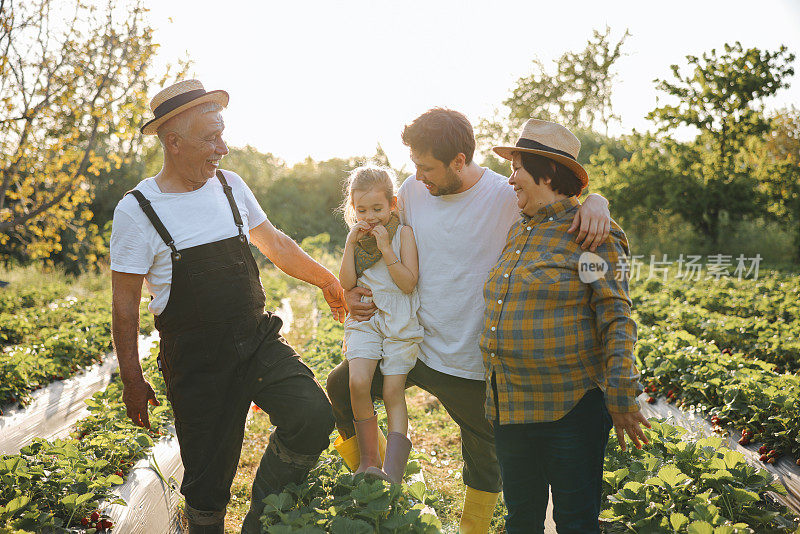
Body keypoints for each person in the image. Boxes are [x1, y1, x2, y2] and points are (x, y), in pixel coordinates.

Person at [325, 108, 613, 533]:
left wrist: (597, 201)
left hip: (471, 360)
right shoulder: (412, 190)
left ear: (459, 161)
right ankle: (379, 483)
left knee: (484, 459)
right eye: (415, 165)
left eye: (427, 167)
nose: (418, 176)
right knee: (341, 385)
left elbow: (559, 203)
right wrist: (351, 291)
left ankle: (473, 527)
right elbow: (375, 240)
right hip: (414, 341)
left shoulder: (504, 197)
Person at [109, 80, 346, 534]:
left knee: (311, 414)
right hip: (197, 361)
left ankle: (259, 522)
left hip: (255, 340)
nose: (224, 147)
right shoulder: (138, 210)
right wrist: (133, 380)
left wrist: (326, 279)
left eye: (223, 133)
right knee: (207, 487)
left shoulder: (230, 186)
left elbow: (273, 242)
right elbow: (124, 307)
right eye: (210, 138)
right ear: (173, 142)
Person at [482, 118, 649, 533]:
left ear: (547, 172)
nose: (511, 179)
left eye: (517, 167)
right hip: (510, 407)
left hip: (569, 409)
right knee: (521, 519)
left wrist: (622, 393)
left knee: (575, 521)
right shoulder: (520, 232)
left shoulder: (590, 236)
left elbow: (615, 315)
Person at [337, 165, 424, 483]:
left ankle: (394, 472)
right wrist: (349, 245)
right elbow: (347, 282)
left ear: (393, 204)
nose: (370, 216)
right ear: (353, 208)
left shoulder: (403, 234)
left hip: (399, 321)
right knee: (357, 383)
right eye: (361, 209)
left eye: (377, 208)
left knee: (391, 391)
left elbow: (407, 283)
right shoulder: (357, 239)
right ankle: (368, 462)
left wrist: (387, 248)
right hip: (366, 320)